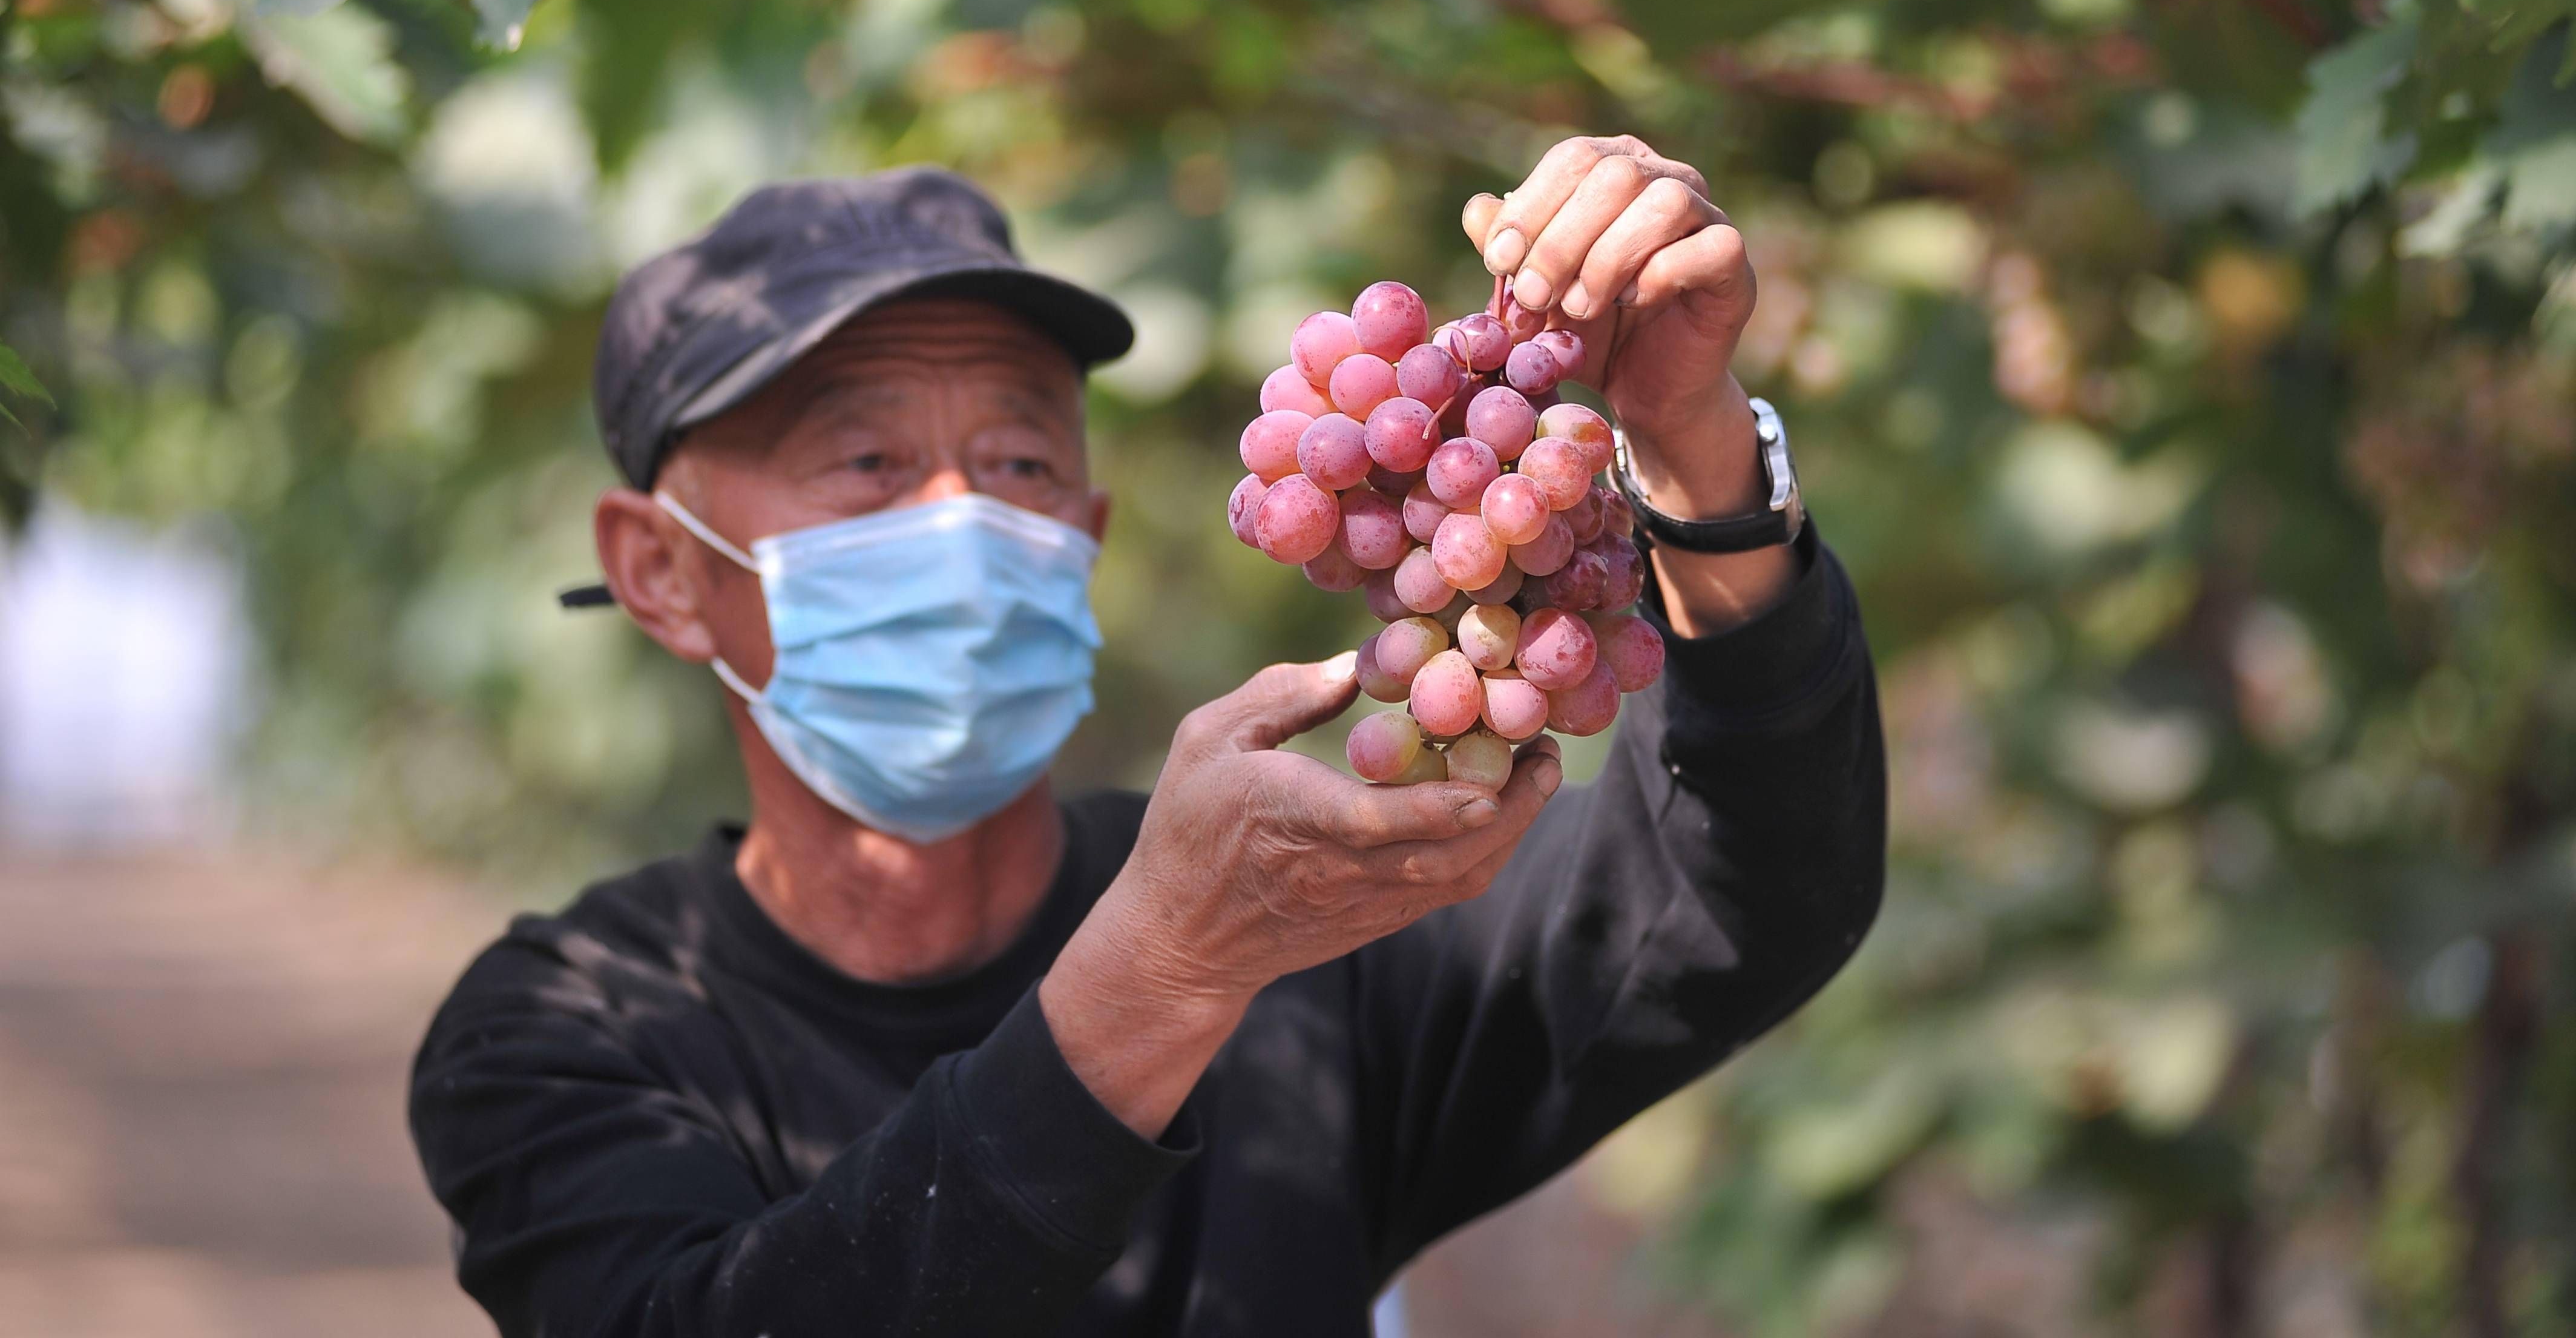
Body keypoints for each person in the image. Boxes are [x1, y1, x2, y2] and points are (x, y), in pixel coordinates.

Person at [409, 140, 1886, 1338]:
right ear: (659, 569)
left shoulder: (1310, 937)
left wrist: (1692, 454)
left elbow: (1740, 899)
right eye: (861, 459)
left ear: (1082, 536)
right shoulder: (564, 1030)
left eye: (1020, 462)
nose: (960, 520)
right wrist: (1167, 970)